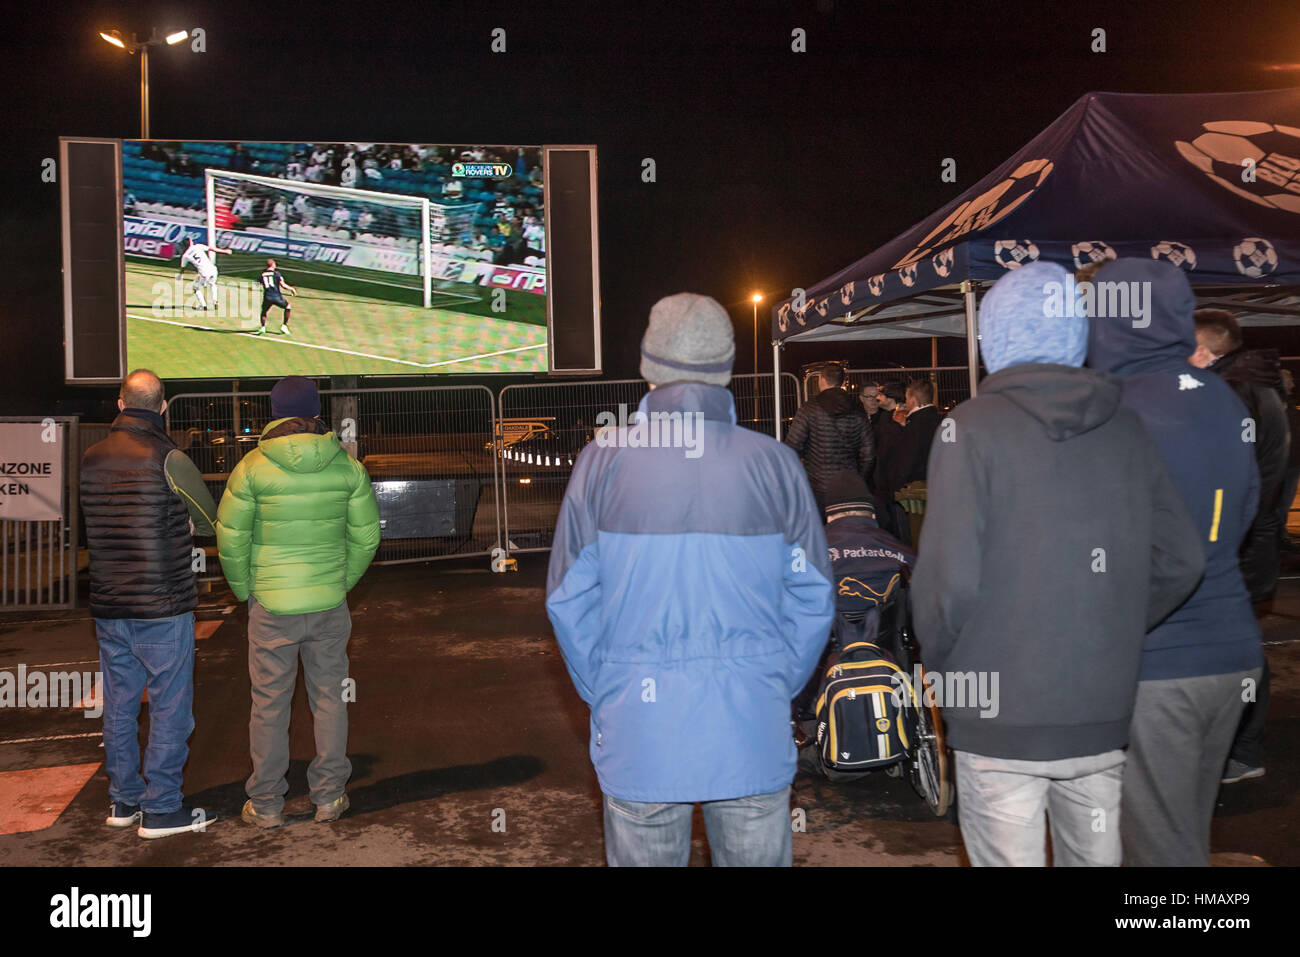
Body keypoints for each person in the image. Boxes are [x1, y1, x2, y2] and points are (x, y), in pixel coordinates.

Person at [913, 261, 1204, 867]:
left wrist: (946, 673)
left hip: (997, 715)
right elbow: (1180, 559)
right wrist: (1112, 626)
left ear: (993, 338)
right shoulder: (1125, 427)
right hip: (1098, 709)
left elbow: (947, 585)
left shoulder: (968, 428)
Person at [546, 292, 834, 867]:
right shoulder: (774, 463)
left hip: (641, 730)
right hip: (750, 724)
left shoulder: (603, 462)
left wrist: (609, 691)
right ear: (724, 370)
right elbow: (813, 597)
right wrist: (773, 683)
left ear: (650, 368)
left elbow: (568, 599)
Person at [1086, 258, 1264, 867]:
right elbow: (1241, 518)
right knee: (1181, 836)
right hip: (1231, 651)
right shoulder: (1223, 399)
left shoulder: (1110, 408)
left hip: (1157, 663)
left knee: (1158, 855)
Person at [216, 376, 381, 828]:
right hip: (328, 602)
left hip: (271, 605)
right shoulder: (347, 466)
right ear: (314, 414)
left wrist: (247, 591)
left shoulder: (251, 467)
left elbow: (231, 541)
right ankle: (328, 796)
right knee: (329, 697)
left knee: (269, 703)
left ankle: (267, 803)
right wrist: (338, 582)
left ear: (274, 414)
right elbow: (367, 537)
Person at [80, 369, 220, 839]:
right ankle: (161, 809)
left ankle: (124, 800)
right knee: (169, 708)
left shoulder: (90, 458)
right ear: (163, 408)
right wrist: (179, 524)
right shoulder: (169, 457)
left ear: (120, 405)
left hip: (109, 603)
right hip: (163, 603)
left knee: (120, 707)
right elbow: (208, 520)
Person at [1191, 308, 1287, 785]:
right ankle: (1240, 747)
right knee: (1239, 645)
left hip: (1242, 545)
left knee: (1237, 649)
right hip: (1252, 541)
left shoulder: (1231, 393)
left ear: (1206, 350)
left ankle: (1243, 749)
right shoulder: (1258, 387)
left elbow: (1228, 485)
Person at [791, 470, 915, 744]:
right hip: (893, 669)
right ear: (871, 515)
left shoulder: (806, 552)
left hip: (823, 682)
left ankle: (807, 725)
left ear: (829, 516)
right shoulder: (902, 551)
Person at [783, 363, 874, 513]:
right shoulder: (857, 409)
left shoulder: (809, 409)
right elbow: (868, 454)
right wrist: (859, 478)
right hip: (849, 486)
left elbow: (793, 447)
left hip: (817, 486)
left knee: (820, 532)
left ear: (821, 379)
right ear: (844, 383)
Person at [889, 378, 941, 493]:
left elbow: (907, 460)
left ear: (912, 400)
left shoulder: (914, 425)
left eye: (907, 398)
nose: (906, 402)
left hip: (914, 489)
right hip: (939, 482)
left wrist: (897, 485)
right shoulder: (942, 421)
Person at [257, 258, 298, 336]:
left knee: (264, 311)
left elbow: (256, 284)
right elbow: (283, 285)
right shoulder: (277, 274)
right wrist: (291, 289)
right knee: (288, 307)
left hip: (267, 297)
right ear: (273, 265)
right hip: (276, 297)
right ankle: (284, 326)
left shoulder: (262, 274)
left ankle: (263, 327)